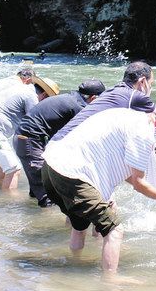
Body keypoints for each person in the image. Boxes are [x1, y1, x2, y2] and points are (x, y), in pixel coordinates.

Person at [42, 106, 156, 276]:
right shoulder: (144, 134)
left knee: (80, 225)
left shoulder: (131, 118)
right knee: (114, 229)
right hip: (71, 175)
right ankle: (111, 281)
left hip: (51, 167)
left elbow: (127, 172)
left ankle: (73, 266)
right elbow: (139, 183)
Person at [51, 61, 156, 143]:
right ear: (142, 82)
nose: (150, 89)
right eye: (151, 84)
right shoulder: (134, 96)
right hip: (69, 151)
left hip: (57, 145)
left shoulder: (113, 91)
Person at [14, 79, 106, 207]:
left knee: (37, 188)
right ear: (93, 98)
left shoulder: (70, 98)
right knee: (47, 192)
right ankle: (49, 224)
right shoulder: (78, 108)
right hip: (31, 141)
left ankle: (31, 214)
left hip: (25, 139)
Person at [0, 76, 59, 189]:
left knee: (1, 163)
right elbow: (35, 122)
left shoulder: (20, 88)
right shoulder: (31, 96)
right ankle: (9, 204)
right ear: (44, 95)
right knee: (14, 169)